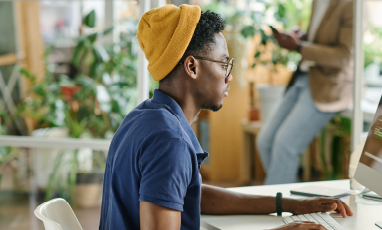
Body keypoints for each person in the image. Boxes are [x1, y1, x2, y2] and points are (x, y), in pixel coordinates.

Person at [98, 5, 352, 230]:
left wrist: (290, 205)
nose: (228, 76)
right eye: (223, 63)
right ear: (192, 67)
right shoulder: (169, 142)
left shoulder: (143, 117)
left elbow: (189, 193)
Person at [258, 0, 355, 185]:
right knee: (265, 142)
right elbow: (319, 39)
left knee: (285, 146)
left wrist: (300, 47)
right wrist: (301, 38)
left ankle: (278, 207)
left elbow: (345, 57)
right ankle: (287, 201)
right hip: (304, 77)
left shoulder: (352, 5)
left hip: (329, 86)